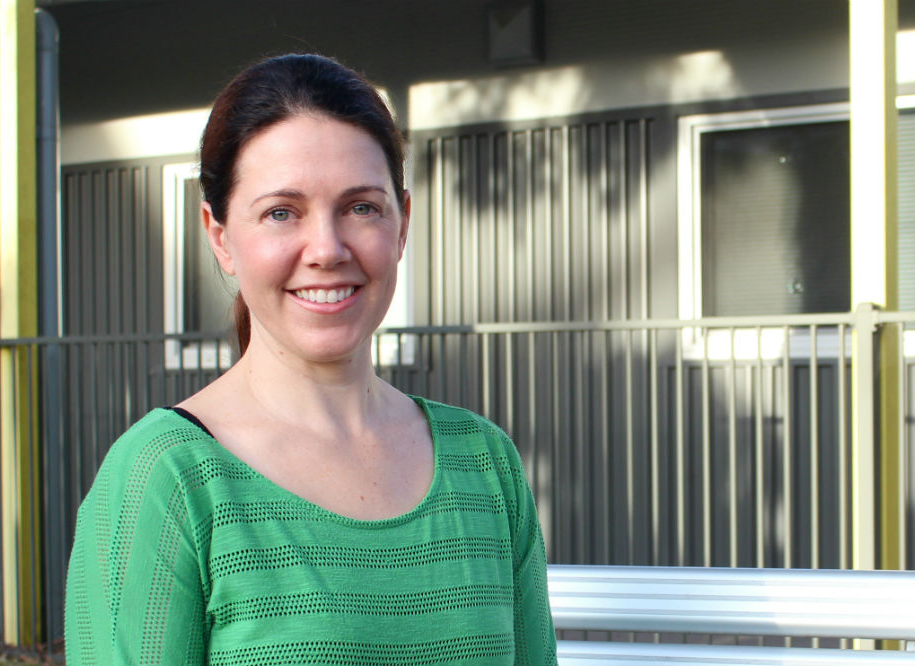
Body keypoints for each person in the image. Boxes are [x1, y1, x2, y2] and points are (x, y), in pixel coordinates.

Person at [63, 53, 557, 666]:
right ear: (219, 236)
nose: (326, 249)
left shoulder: (485, 463)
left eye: (361, 207)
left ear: (402, 224)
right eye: (281, 212)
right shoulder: (164, 479)